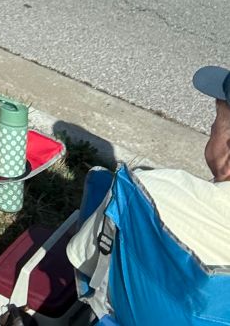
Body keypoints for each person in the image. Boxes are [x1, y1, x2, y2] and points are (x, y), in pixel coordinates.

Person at [68, 64, 230, 312]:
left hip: (121, 313)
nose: (210, 129)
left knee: (101, 185)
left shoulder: (144, 191)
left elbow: (83, 261)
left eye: (216, 121)